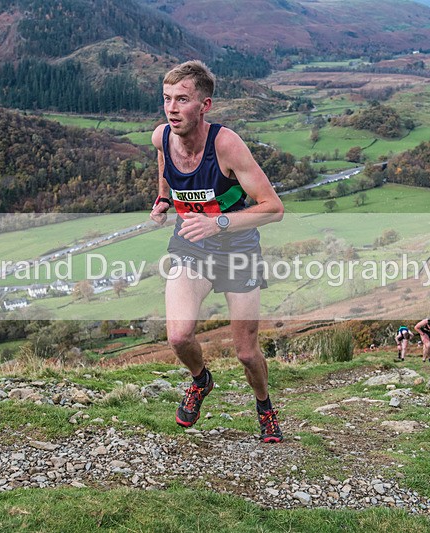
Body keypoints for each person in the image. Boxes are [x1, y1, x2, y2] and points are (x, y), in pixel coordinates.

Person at [149, 60, 285, 443]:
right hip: (191, 248)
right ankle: (201, 380)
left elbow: (273, 208)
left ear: (204, 105)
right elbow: (164, 166)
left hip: (238, 250)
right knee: (178, 336)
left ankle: (264, 406)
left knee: (245, 353)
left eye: (182, 100)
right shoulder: (161, 137)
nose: (172, 109)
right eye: (167, 99)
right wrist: (163, 198)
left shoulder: (225, 144)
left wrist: (219, 223)